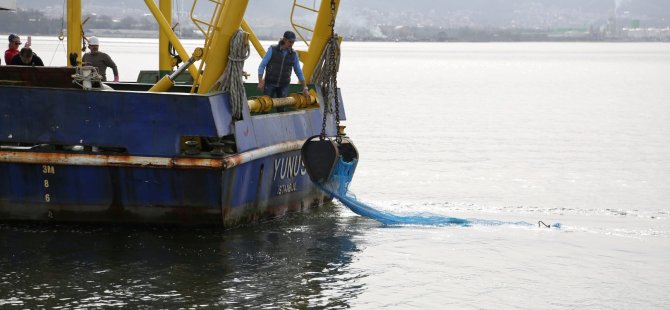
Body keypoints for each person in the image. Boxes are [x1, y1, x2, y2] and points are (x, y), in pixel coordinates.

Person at [258, 30, 309, 99]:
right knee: (266, 106)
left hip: (284, 85)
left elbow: (298, 71)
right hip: (269, 84)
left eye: (293, 42)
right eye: (290, 41)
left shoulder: (294, 55)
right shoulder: (272, 49)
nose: (292, 44)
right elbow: (262, 65)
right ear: (284, 40)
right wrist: (260, 81)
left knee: (282, 108)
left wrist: (305, 87)